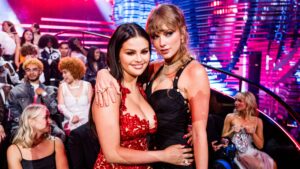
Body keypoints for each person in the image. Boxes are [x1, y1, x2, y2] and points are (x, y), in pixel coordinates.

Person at [95, 4, 210, 169]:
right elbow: (123, 68)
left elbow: (199, 134)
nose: (162, 42)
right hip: (150, 159)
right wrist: (103, 74)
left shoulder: (195, 72)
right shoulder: (153, 68)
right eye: (155, 36)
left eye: (169, 33)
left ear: (182, 32)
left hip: (177, 159)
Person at [7, 58, 65, 140]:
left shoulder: (49, 90)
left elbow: (54, 111)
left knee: (60, 134)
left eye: (35, 70)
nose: (31, 73)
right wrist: (30, 124)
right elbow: (13, 113)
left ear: (40, 71)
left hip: (45, 123)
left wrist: (44, 95)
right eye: (28, 70)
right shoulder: (16, 91)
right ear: (25, 72)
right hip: (23, 125)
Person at [218, 91, 277, 169]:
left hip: (251, 151)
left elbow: (260, 145)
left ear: (248, 103)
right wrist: (232, 131)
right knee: (259, 166)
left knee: (272, 164)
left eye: (239, 101)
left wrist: (253, 133)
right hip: (236, 152)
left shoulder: (258, 121)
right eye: (235, 100)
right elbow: (222, 139)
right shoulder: (230, 117)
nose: (236, 103)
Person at [57, 57, 94, 169]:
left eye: (65, 72)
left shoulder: (87, 85)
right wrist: (72, 116)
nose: (63, 76)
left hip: (87, 123)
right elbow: (61, 106)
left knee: (90, 157)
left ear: (74, 70)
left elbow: (91, 105)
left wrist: (83, 118)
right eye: (62, 73)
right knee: (76, 159)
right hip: (71, 124)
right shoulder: (62, 87)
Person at [6, 104, 69, 169]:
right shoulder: (14, 150)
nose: (50, 121)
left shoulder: (56, 143)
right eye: (45, 117)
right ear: (31, 121)